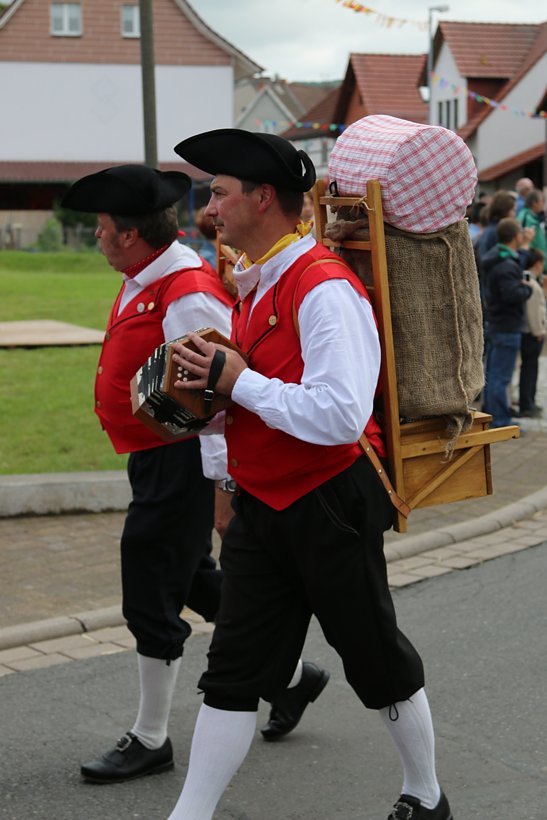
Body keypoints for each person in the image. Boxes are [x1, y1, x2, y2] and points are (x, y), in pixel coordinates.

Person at [166, 129, 453, 820]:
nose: (210, 207)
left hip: (331, 499)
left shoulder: (322, 288)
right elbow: (253, 399)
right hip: (265, 505)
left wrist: (240, 382)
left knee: (373, 658)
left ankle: (426, 795)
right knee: (231, 672)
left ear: (263, 198)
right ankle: (188, 816)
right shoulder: (255, 278)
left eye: (221, 192)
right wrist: (208, 429)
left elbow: (339, 416)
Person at [60, 164, 328, 785]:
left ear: (129, 235)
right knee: (190, 580)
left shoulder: (185, 290)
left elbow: (211, 403)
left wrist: (222, 486)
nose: (98, 236)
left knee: (149, 586)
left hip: (182, 459)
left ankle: (151, 737)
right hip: (158, 457)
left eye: (102, 228)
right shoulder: (144, 275)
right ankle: (291, 679)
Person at [481, 217, 532, 428]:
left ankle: (491, 415)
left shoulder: (495, 256)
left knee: (492, 375)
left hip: (495, 323)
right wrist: (527, 287)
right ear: (515, 236)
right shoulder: (506, 265)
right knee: (500, 377)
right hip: (507, 326)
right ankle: (501, 420)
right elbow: (512, 294)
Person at [518, 248, 546, 417]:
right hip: (532, 333)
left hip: (527, 332)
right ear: (538, 264)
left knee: (530, 368)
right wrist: (538, 331)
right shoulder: (533, 285)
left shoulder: (530, 280)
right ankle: (527, 403)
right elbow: (534, 312)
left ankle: (529, 401)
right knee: (530, 369)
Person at [517, 188, 546, 272]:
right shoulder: (525, 218)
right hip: (531, 266)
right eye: (542, 201)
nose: (543, 204)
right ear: (535, 203)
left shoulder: (537, 217)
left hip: (539, 265)